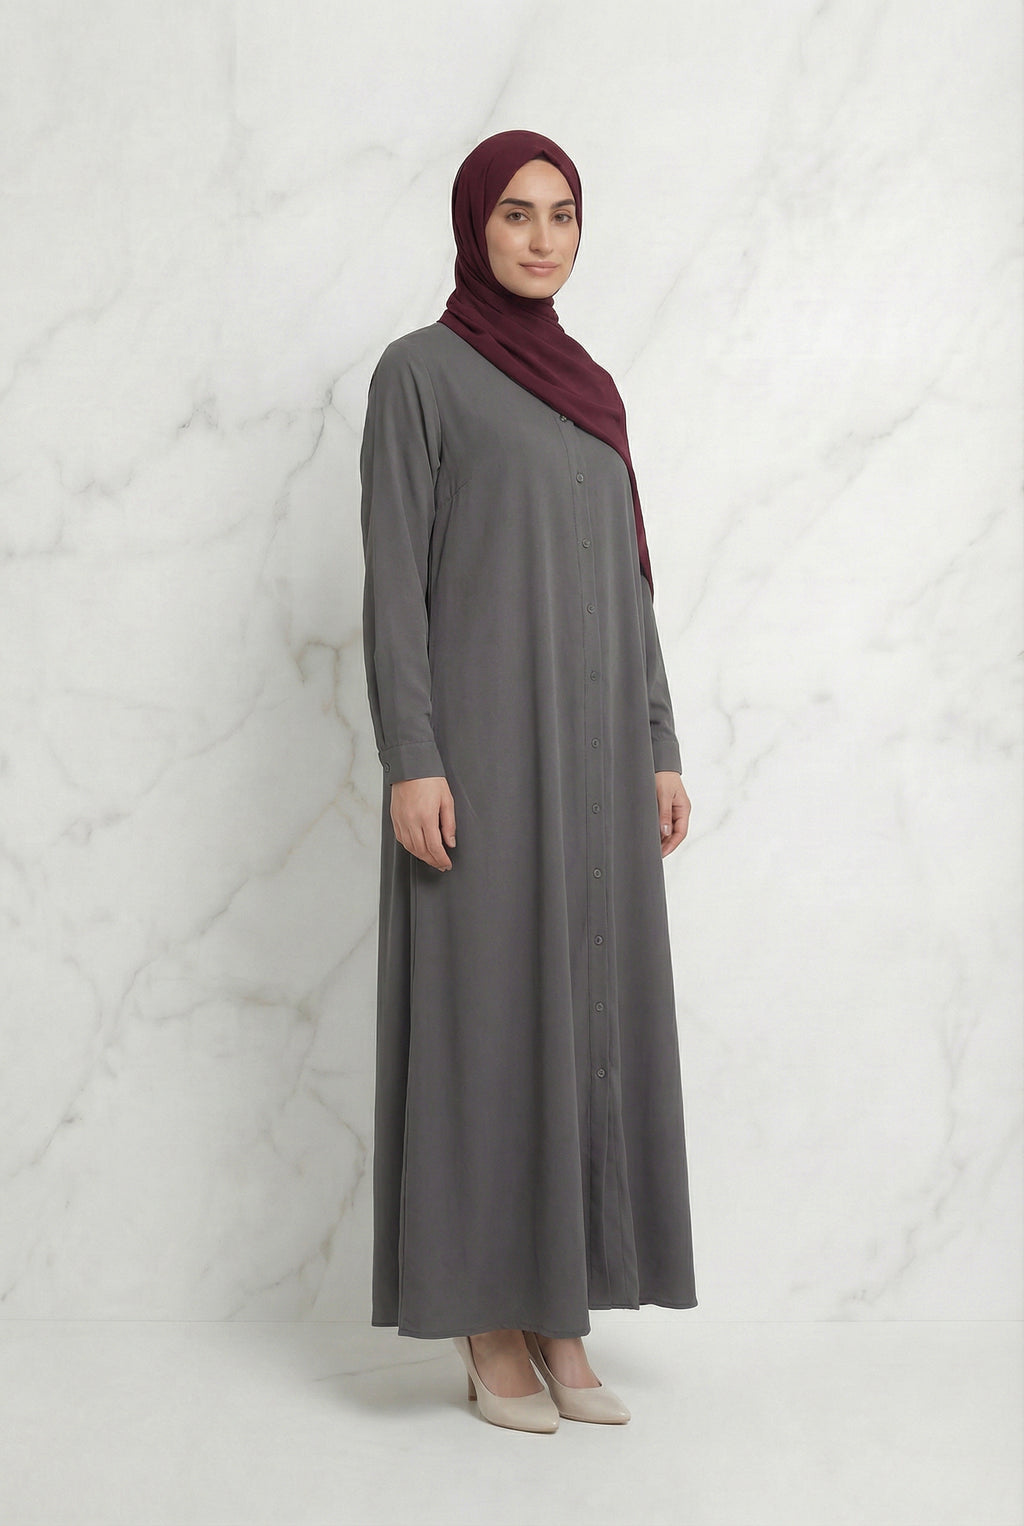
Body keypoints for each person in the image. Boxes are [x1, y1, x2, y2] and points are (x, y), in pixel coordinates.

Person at [359, 130, 697, 1434]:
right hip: (481, 760)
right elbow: (396, 581)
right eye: (516, 213)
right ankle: (486, 1320)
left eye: (562, 214)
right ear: (473, 226)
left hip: (600, 760)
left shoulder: (593, 389)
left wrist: (658, 742)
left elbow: (633, 586)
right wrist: (414, 758)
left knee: (587, 1019)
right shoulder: (420, 375)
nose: (543, 237)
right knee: (484, 1018)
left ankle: (563, 1311)